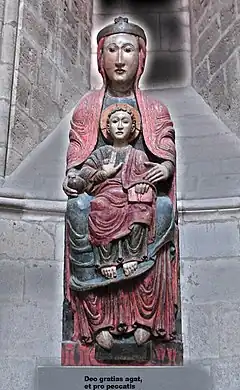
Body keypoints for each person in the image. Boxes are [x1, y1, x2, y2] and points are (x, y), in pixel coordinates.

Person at [62, 17, 178, 351]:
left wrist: (166, 167)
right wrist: (78, 178)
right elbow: (77, 156)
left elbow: (165, 145)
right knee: (78, 208)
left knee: (163, 206)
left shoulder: (155, 109)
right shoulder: (87, 108)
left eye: (128, 49)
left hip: (138, 194)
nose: (120, 58)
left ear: (141, 57)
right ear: (101, 58)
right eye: (112, 49)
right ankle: (97, 321)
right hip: (102, 195)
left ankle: (146, 318)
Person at [70, 104, 160, 279]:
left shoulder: (138, 155)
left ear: (133, 127)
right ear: (108, 127)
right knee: (101, 207)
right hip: (106, 194)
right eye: (115, 121)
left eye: (125, 121)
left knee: (139, 211)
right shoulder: (101, 152)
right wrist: (103, 173)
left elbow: (148, 178)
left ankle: (133, 256)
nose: (119, 125)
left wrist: (143, 184)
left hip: (131, 196)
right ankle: (106, 261)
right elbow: (85, 173)